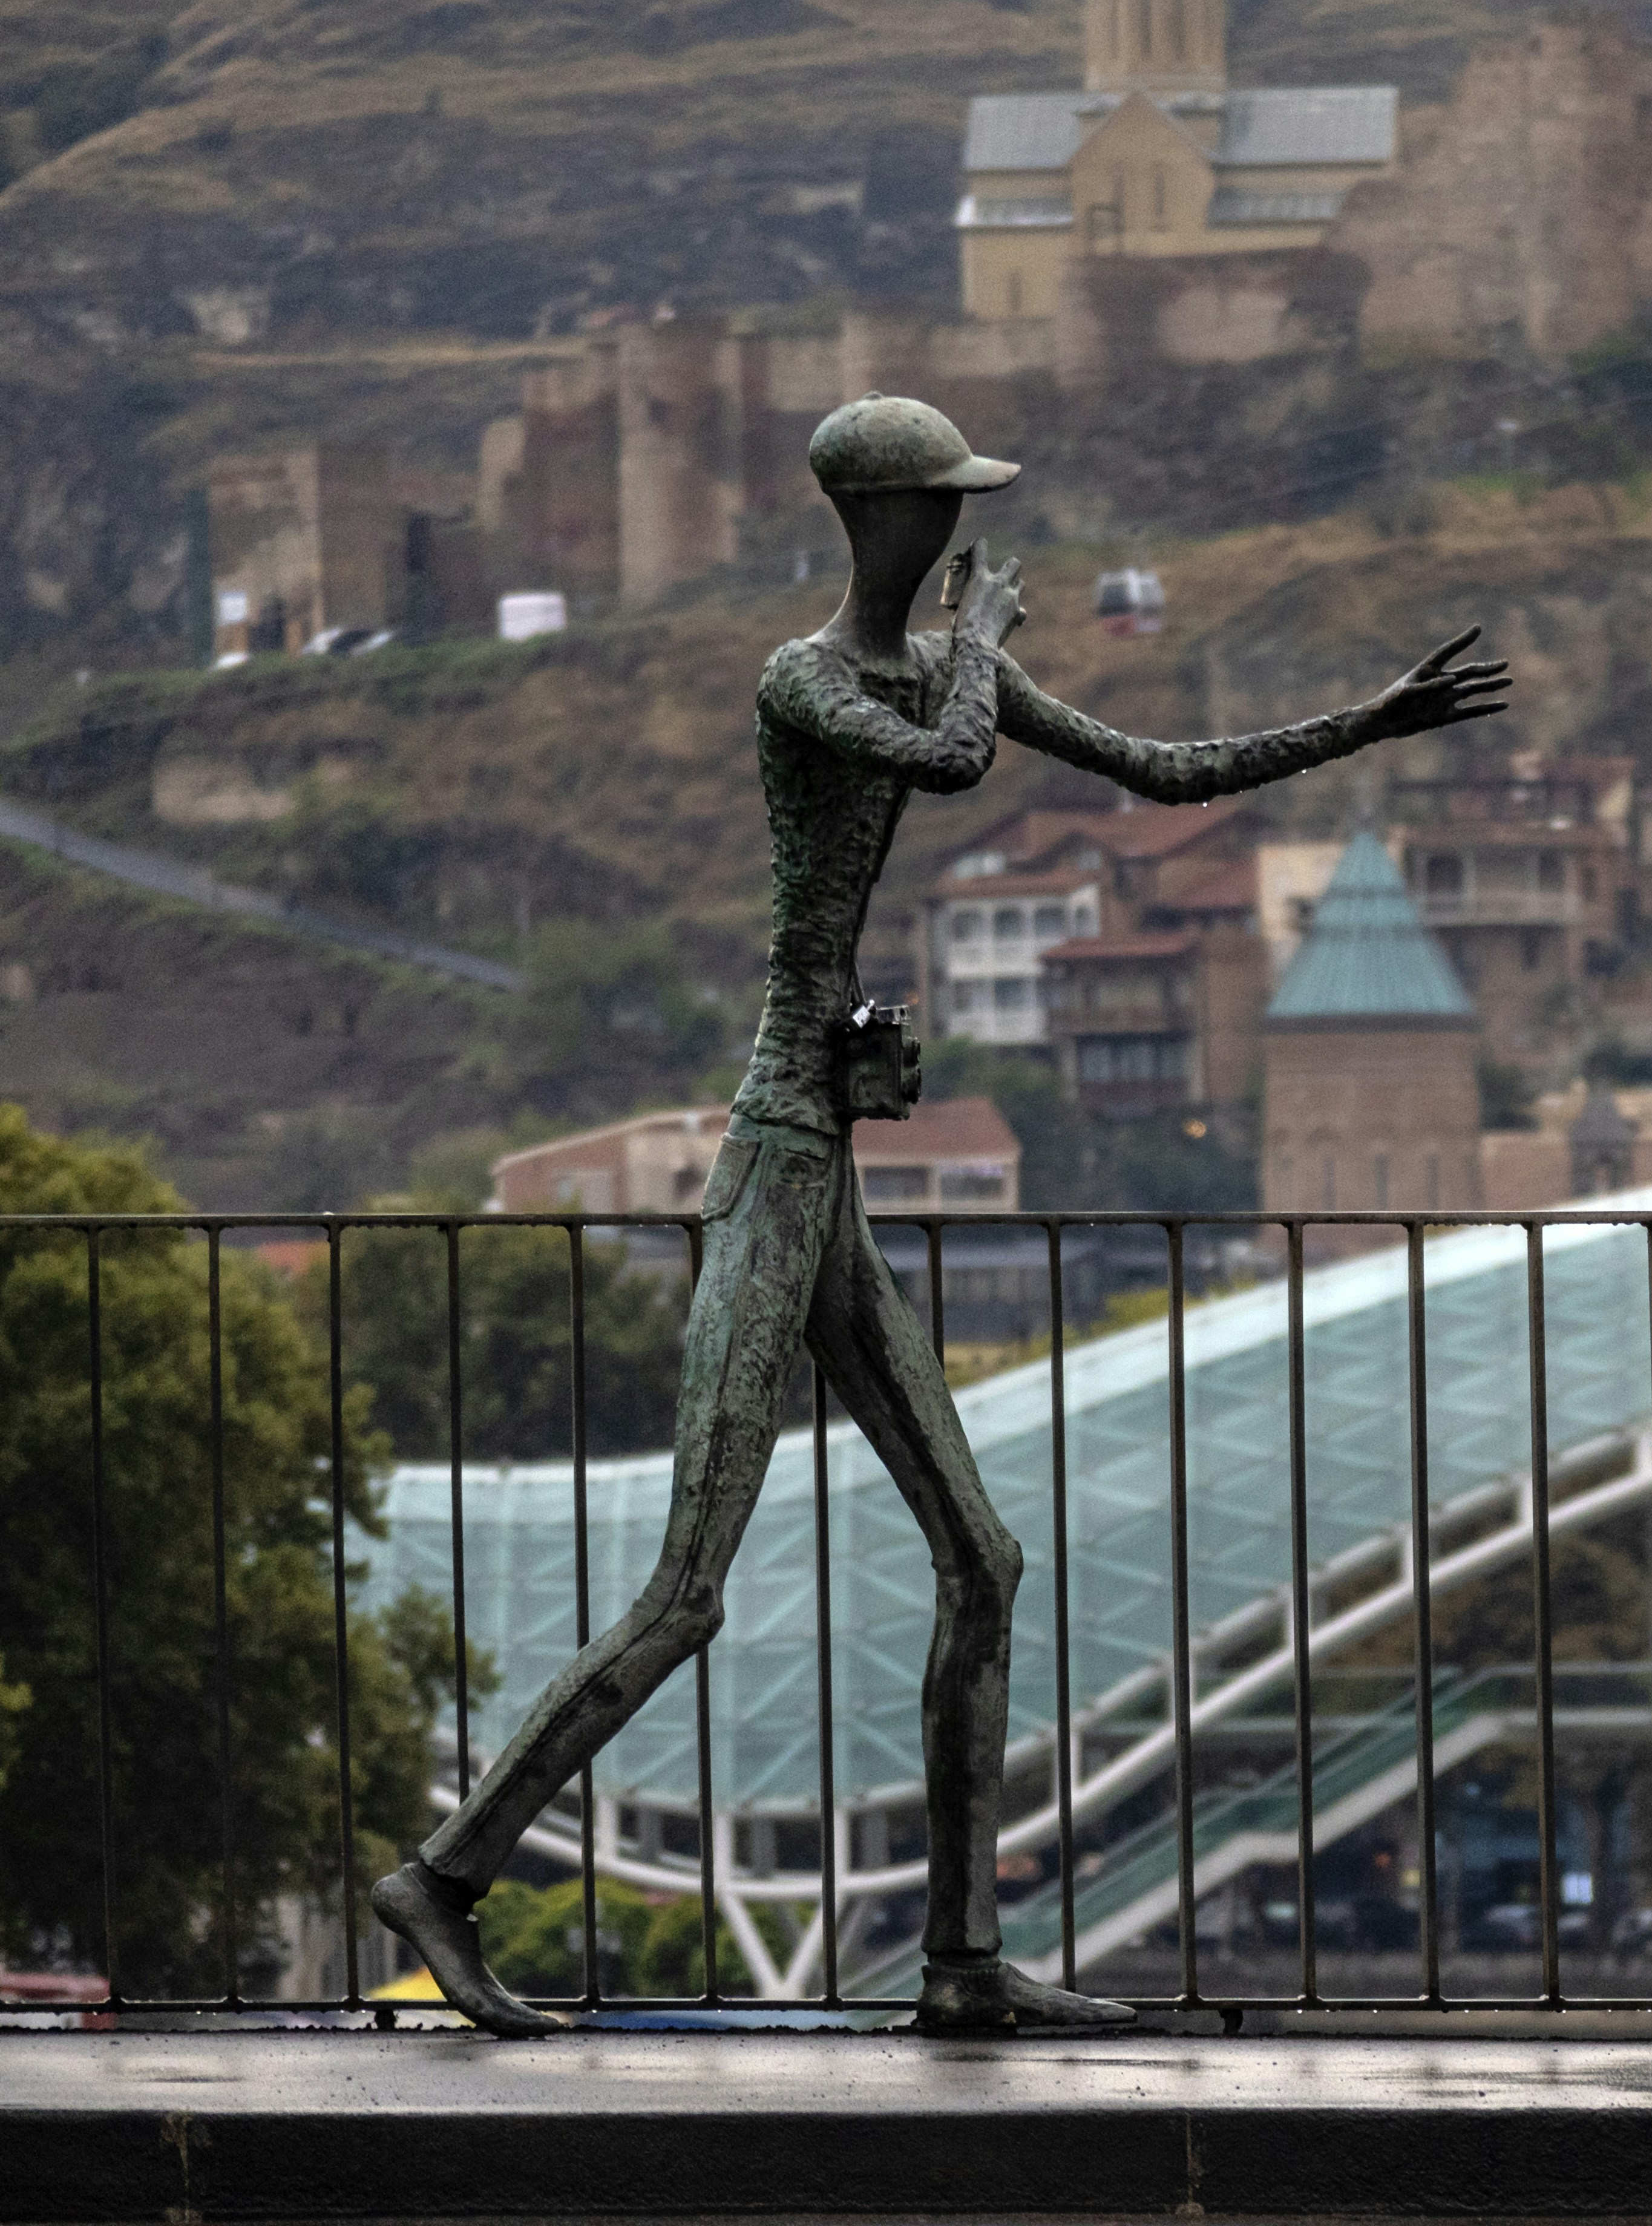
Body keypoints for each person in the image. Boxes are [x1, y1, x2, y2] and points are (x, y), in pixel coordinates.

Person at [370, 395, 1509, 2034]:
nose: (965, 533)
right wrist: (979, 640)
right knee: (691, 1591)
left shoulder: (928, 670)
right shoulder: (811, 680)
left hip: (828, 1154)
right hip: (774, 1151)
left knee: (982, 1557)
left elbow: (1163, 773)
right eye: (946, 507)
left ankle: (965, 1962)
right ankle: (452, 1875)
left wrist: (1366, 725)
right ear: (883, 519)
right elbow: (962, 758)